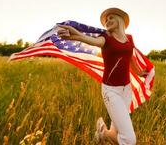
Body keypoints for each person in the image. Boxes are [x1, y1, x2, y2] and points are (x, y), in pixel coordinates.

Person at [57, 8, 148, 145]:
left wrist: (139, 72)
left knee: (116, 132)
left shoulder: (129, 38)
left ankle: (103, 134)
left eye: (111, 18)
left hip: (126, 90)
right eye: (106, 20)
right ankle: (103, 133)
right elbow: (88, 40)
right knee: (129, 140)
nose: (108, 21)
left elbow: (130, 57)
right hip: (111, 91)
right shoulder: (105, 39)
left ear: (120, 19)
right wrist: (74, 34)